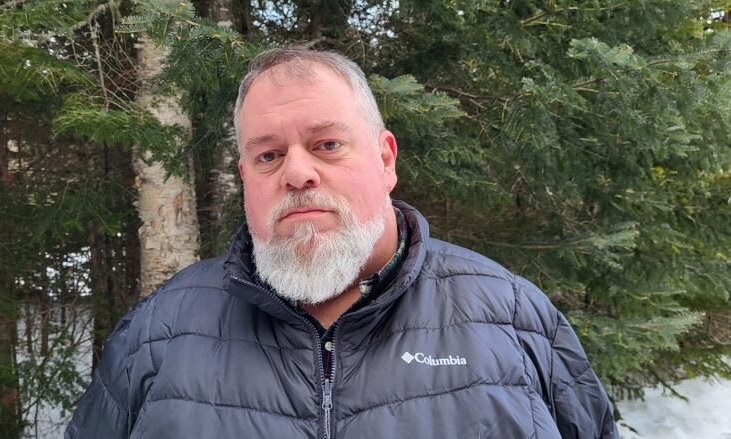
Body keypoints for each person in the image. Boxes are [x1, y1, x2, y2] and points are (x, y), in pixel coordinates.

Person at [66, 46, 619, 439]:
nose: (297, 173)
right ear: (246, 178)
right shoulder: (158, 335)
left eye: (327, 144)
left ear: (385, 159)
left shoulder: (514, 320)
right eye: (269, 155)